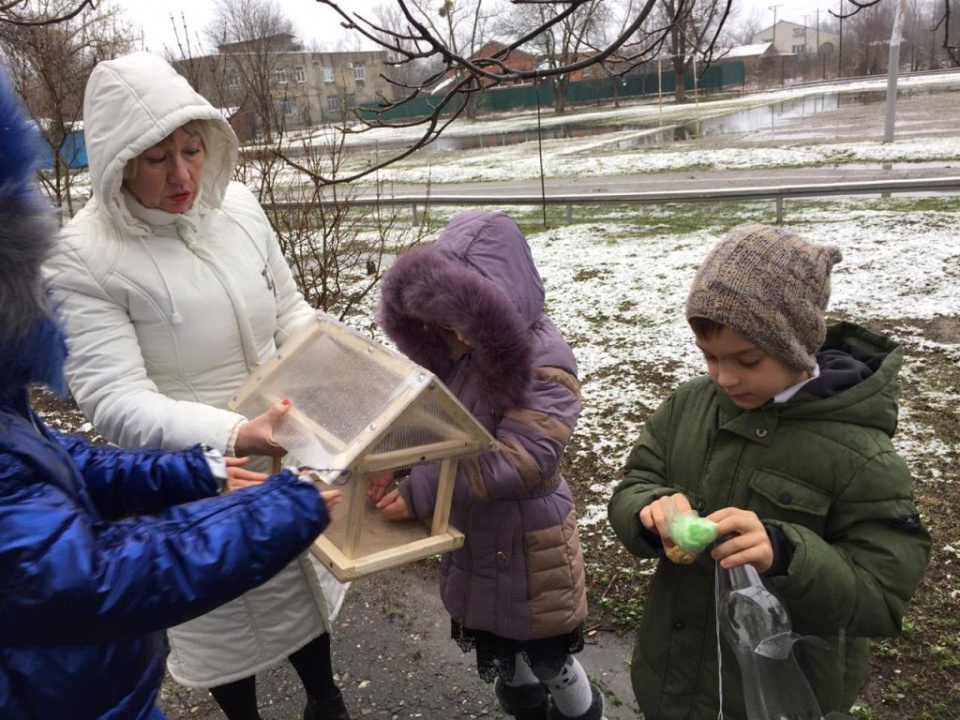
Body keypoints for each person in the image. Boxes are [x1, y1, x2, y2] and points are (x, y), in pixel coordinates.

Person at [0, 65, 341, 720]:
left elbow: (293, 312)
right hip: (202, 472)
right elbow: (114, 399)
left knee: (305, 593)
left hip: (287, 437)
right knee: (222, 622)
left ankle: (326, 701)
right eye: (156, 158)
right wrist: (228, 437)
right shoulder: (84, 256)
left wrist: (342, 373)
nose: (182, 176)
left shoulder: (238, 208)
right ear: (117, 162)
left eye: (192, 150)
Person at [607, 222, 932, 720]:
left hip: (780, 696)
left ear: (797, 345)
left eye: (747, 359)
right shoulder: (689, 406)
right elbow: (635, 483)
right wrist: (650, 512)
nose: (724, 377)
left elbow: (881, 598)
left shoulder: (859, 453)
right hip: (675, 680)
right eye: (709, 357)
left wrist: (785, 555)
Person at [370, 211, 605, 720]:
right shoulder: (457, 355)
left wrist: (420, 491)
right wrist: (388, 455)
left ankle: (583, 713)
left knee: (547, 654)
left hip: (529, 539)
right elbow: (437, 418)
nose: (454, 334)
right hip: (477, 532)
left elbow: (523, 458)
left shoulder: (544, 360)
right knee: (501, 643)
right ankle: (523, 706)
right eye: (445, 322)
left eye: (465, 322)